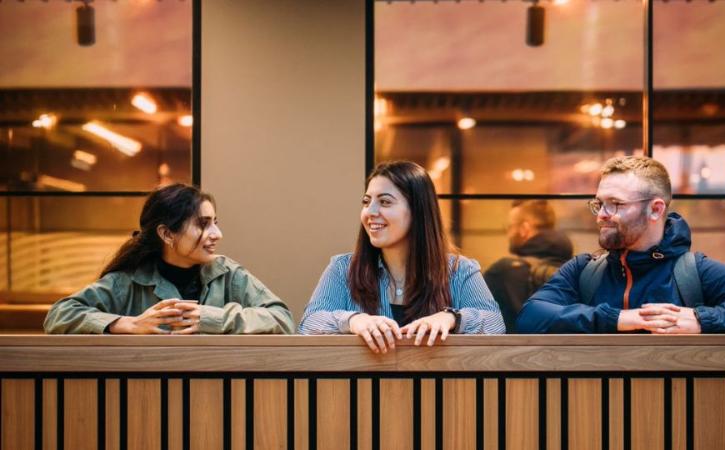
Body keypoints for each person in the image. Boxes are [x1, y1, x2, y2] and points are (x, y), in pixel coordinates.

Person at [515, 155, 725, 334]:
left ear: (656, 210)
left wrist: (701, 320)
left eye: (616, 204)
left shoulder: (695, 271)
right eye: (599, 203)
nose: (601, 215)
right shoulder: (583, 270)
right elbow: (530, 317)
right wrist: (617, 319)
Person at [299, 160, 504, 353]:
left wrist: (451, 318)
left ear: (418, 211)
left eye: (385, 202)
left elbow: (495, 324)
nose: (370, 212)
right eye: (366, 201)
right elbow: (309, 324)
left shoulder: (460, 270)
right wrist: (353, 320)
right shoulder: (343, 268)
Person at [43, 183, 295, 334]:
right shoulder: (129, 281)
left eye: (215, 223)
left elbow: (282, 319)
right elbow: (58, 315)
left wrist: (212, 318)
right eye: (202, 224)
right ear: (166, 233)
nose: (217, 234)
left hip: (221, 397)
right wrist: (124, 324)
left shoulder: (229, 274)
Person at [484, 200, 573, 332]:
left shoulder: (503, 271)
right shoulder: (574, 267)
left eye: (510, 227)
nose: (508, 233)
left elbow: (481, 319)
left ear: (524, 229)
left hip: (516, 351)